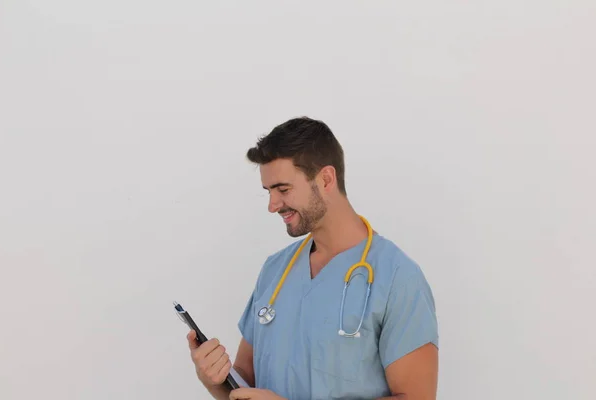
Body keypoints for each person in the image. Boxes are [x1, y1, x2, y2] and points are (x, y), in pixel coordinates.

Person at [187, 117, 439, 399]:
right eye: (268, 192)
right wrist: (215, 380)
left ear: (326, 179)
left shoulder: (397, 278)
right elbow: (245, 380)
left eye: (283, 190)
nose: (272, 206)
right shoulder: (275, 270)